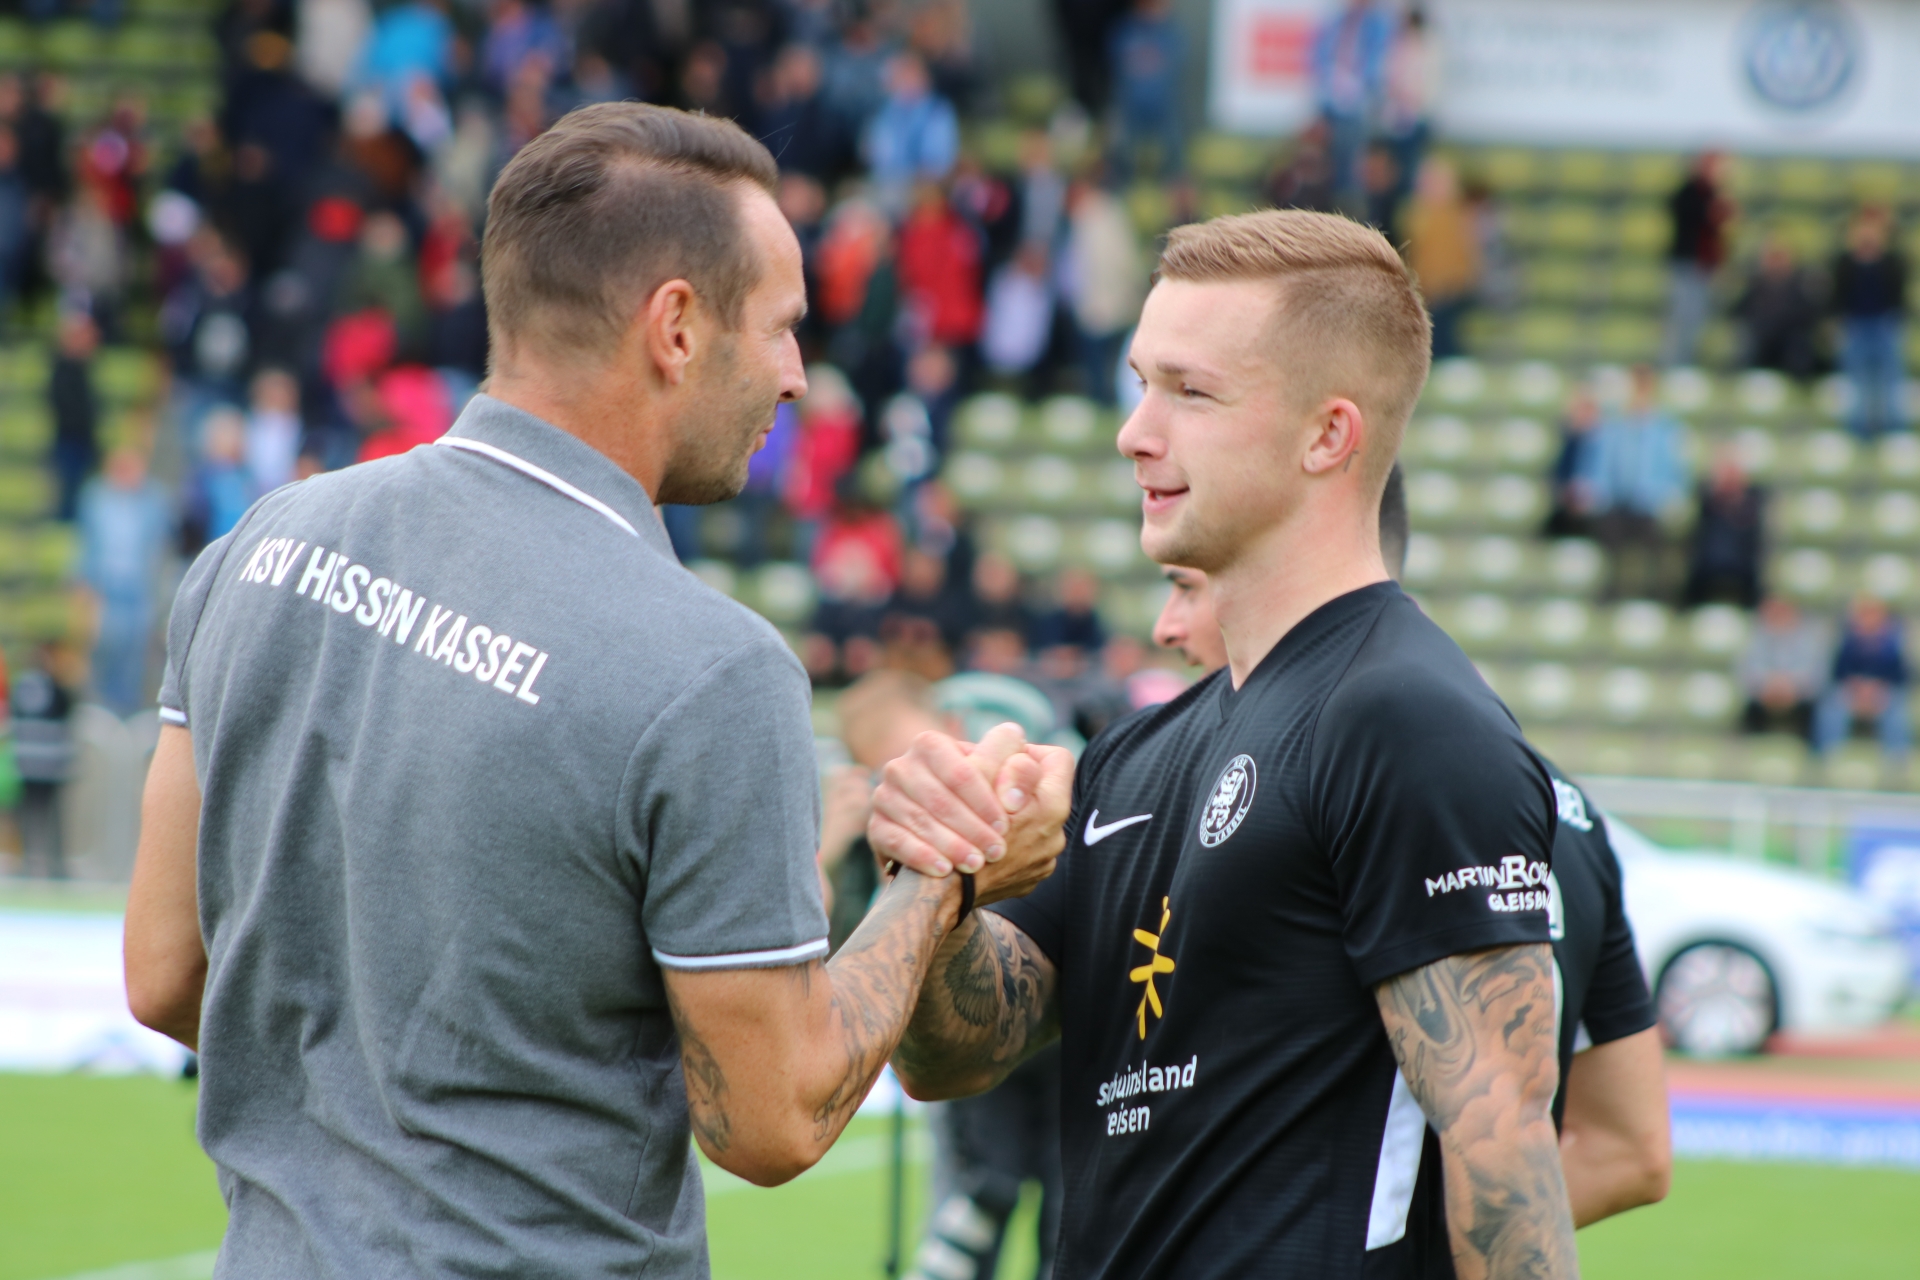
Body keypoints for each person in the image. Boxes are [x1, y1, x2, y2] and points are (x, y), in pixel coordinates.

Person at [122, 103, 1070, 1278]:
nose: (796, 377)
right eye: (782, 329)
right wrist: (942, 878)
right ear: (676, 326)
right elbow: (772, 1117)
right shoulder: (711, 669)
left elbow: (164, 971)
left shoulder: (261, 543)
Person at [870, 209, 1577, 1278]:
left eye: (1190, 393)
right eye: (1139, 384)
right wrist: (944, 878)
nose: (1134, 432)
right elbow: (956, 1056)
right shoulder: (1136, 754)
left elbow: (1504, 1147)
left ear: (1327, 436)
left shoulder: (1405, 718)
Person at [1153, 468, 1671, 1233]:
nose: (1166, 627)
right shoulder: (1571, 811)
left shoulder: (1323, 781)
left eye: (1188, 587)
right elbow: (1630, 1151)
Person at [1582, 364, 1690, 601]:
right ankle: (1611, 593)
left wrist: (1668, 498)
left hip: (1651, 505)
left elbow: (1677, 473)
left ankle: (1657, 595)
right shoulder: (1613, 426)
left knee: (1659, 543)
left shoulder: (1666, 429)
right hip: (1617, 504)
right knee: (1608, 534)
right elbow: (1600, 469)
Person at [78, 446, 170, 715]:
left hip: (139, 592)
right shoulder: (96, 498)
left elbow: (161, 548)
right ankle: (104, 710)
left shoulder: (154, 501)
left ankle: (129, 712)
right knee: (106, 646)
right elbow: (87, 545)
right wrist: (84, 587)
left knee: (136, 651)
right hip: (107, 590)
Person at [1310, 0, 1393, 214]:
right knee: (1323, 158)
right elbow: (1319, 56)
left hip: (1361, 103)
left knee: (1353, 163)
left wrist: (1355, 84)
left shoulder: (1379, 25)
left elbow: (1378, 65)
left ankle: (1349, 207)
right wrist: (1333, 80)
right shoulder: (1336, 22)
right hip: (1331, 98)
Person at [1832, 206, 1908, 439]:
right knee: (1857, 379)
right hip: (1855, 325)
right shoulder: (1845, 262)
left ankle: (1894, 426)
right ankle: (1859, 428)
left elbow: (1898, 295)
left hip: (1884, 324)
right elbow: (1838, 296)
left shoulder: (1892, 261)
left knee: (1890, 377)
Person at [1813, 596, 1909, 762]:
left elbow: (1900, 676)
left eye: (1874, 614)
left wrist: (1876, 688)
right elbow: (1838, 673)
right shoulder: (1847, 641)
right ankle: (1828, 757)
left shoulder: (1894, 643)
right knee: (1830, 708)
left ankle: (1898, 759)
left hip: (1883, 692)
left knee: (1897, 710)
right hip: (1852, 691)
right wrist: (1857, 687)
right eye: (1864, 614)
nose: (1869, 619)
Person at [1400, 156, 1479, 359]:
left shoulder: (1459, 216)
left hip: (1453, 291)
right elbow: (1411, 253)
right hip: (1423, 289)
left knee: (1445, 327)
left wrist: (1454, 284)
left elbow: (1467, 258)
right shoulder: (1413, 214)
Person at [10, 644, 75, 878]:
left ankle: (28, 863)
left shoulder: (21, 685)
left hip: (26, 760)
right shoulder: (54, 686)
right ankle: (54, 864)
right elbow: (67, 708)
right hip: (50, 761)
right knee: (51, 816)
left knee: (29, 814)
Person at [1661, 153, 1731, 367]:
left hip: (1705, 266)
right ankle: (1675, 365)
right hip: (1688, 264)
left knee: (1698, 318)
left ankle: (1687, 363)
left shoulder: (1713, 193)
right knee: (1684, 317)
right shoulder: (1690, 192)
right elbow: (1696, 217)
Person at [1106, 0, 1184, 182]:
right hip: (1129, 106)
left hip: (1163, 107)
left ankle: (1173, 184)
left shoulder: (1171, 33)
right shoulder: (1124, 31)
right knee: (1120, 148)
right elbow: (1117, 63)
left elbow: (1175, 65)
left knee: (1174, 151)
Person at [1681, 448, 1766, 609]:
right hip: (1707, 564)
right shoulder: (1706, 497)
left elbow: (1750, 528)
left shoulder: (1753, 498)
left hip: (1743, 566)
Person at [1739, 596, 1828, 741]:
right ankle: (1750, 745)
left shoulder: (1811, 637)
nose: (1779, 615)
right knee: (1748, 706)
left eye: (1783, 610)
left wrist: (1791, 686)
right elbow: (1746, 670)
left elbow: (1815, 674)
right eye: (1774, 610)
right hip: (1764, 693)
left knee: (1819, 707)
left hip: (1798, 694)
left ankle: (1809, 748)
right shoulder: (1755, 635)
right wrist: (1767, 685)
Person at [1735, 236, 1821, 381]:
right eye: (1772, 258)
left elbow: (1809, 315)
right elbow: (1740, 311)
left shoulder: (1800, 285)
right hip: (1761, 338)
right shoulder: (1755, 285)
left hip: (1789, 339)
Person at [49, 307, 99, 522]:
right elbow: (69, 410)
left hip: (81, 441)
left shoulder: (83, 369)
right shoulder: (63, 369)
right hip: (70, 441)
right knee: (69, 500)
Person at [1543, 384, 1601, 538]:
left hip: (1592, 508)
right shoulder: (1568, 442)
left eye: (1586, 409)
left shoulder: (1601, 443)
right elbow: (1558, 475)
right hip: (1567, 505)